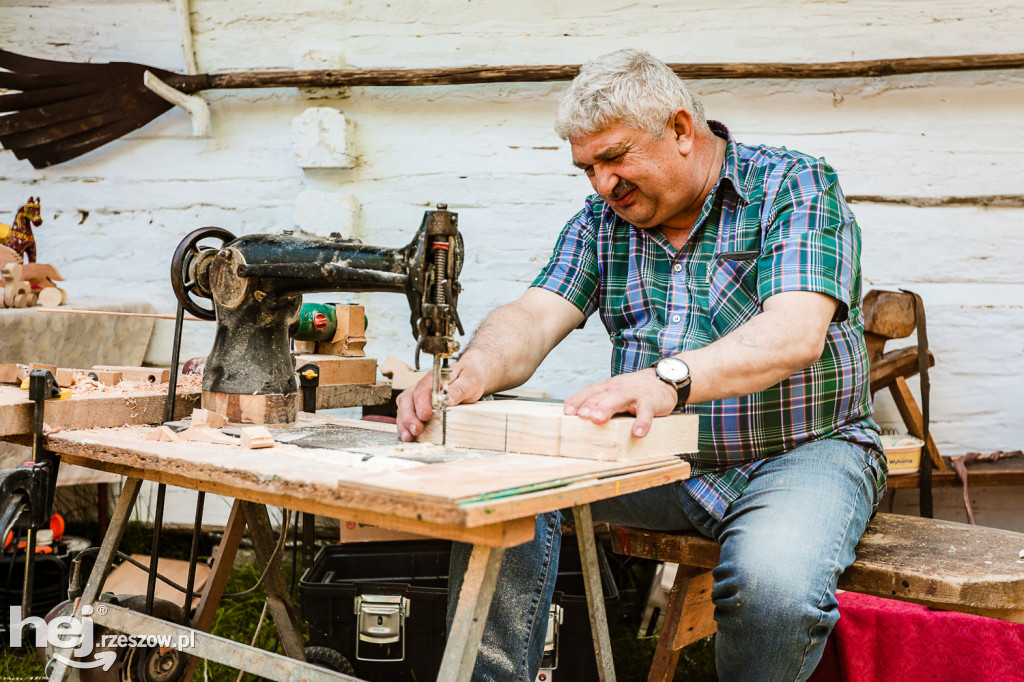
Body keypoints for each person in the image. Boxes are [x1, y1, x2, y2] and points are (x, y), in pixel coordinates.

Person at [396, 48, 886, 682]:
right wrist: (472, 369)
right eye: (587, 168)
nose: (603, 183)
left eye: (615, 157)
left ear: (681, 130)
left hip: (799, 450)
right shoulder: (602, 221)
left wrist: (667, 380)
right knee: (507, 499)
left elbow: (793, 334)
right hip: (655, 454)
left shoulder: (795, 185)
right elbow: (535, 315)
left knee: (774, 592)